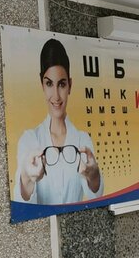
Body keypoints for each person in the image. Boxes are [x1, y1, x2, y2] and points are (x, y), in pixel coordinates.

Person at [13, 38, 103, 205]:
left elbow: (96, 197)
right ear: (42, 84)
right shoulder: (29, 140)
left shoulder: (83, 140)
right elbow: (22, 203)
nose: (56, 96)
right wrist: (26, 177)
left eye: (61, 84)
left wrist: (94, 176)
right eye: (49, 84)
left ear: (70, 85)